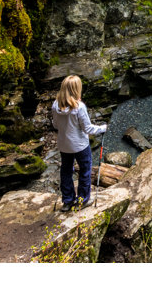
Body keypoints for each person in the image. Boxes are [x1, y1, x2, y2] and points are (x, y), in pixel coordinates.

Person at [50, 75, 107, 210]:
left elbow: (55, 125)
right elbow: (87, 128)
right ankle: (82, 200)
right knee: (85, 170)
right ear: (77, 89)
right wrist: (103, 128)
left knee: (66, 171)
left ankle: (68, 200)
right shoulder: (79, 107)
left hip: (64, 145)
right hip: (80, 145)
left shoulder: (55, 104)